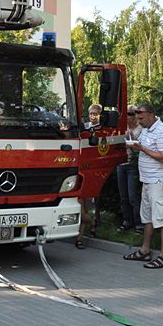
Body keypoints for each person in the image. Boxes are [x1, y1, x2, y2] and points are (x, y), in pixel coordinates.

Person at [123, 102, 163, 269]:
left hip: (159, 181)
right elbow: (145, 146)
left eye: (141, 118)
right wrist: (133, 142)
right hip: (148, 180)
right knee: (147, 217)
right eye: (137, 117)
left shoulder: (162, 131)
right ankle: (145, 250)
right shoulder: (146, 128)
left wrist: (141, 148)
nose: (139, 121)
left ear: (151, 115)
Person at [75, 103, 103, 249]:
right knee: (80, 209)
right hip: (77, 169)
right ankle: (92, 223)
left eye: (95, 113)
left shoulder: (103, 129)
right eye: (91, 113)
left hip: (89, 170)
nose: (93, 116)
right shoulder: (83, 127)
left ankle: (80, 238)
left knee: (83, 207)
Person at [117, 105, 144, 233]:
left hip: (133, 164)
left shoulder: (140, 129)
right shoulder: (121, 128)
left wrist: (131, 136)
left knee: (133, 196)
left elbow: (140, 148)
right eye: (126, 114)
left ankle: (139, 224)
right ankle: (126, 221)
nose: (128, 116)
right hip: (121, 164)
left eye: (130, 114)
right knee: (123, 196)